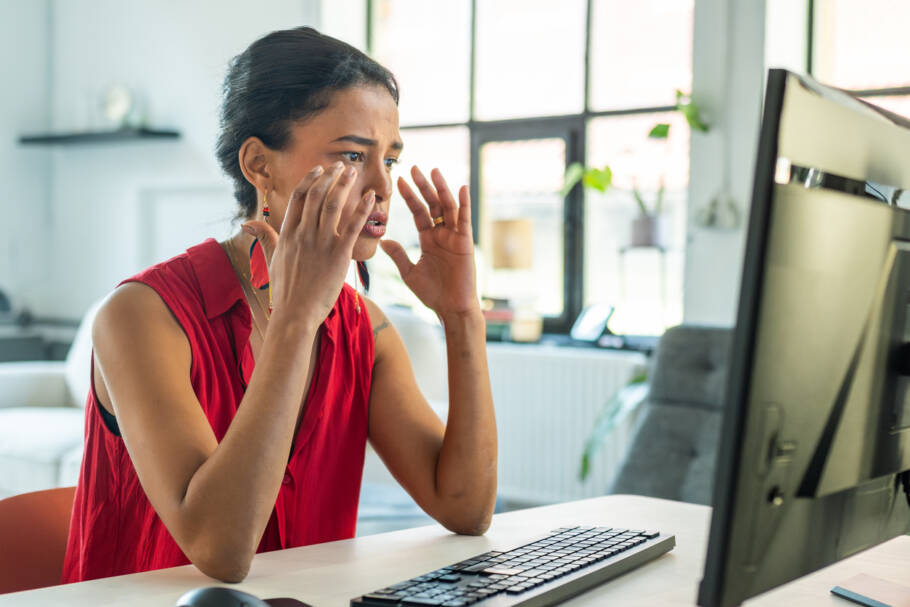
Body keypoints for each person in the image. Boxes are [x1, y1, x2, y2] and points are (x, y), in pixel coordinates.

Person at [62, 26, 497, 584]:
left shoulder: (365, 329)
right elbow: (219, 549)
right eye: (352, 155)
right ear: (260, 166)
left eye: (389, 160)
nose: (382, 187)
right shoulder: (139, 317)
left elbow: (466, 507)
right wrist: (295, 319)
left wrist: (462, 316)